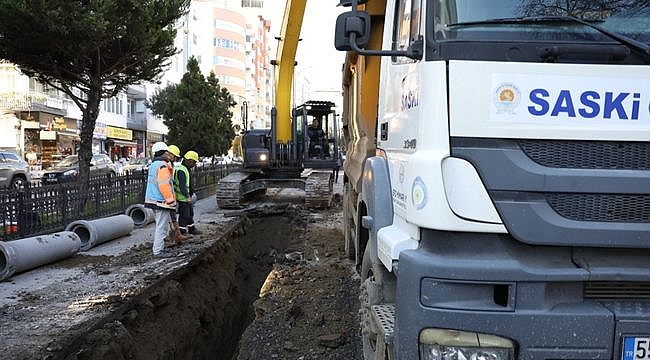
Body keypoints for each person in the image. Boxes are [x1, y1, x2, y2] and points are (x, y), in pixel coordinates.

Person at [144, 141, 185, 258]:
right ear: (163, 153)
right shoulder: (162, 166)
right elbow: (164, 184)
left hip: (154, 199)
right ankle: (158, 251)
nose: (169, 154)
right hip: (160, 201)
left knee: (160, 225)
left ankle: (159, 249)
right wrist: (171, 200)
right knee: (161, 227)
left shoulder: (154, 165)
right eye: (167, 152)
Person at [174, 150, 202, 235]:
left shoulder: (186, 169)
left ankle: (191, 228)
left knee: (190, 213)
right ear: (189, 161)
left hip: (185, 197)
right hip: (182, 197)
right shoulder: (181, 170)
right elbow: (182, 186)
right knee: (184, 215)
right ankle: (182, 231)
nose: (194, 165)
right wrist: (187, 197)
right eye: (194, 162)